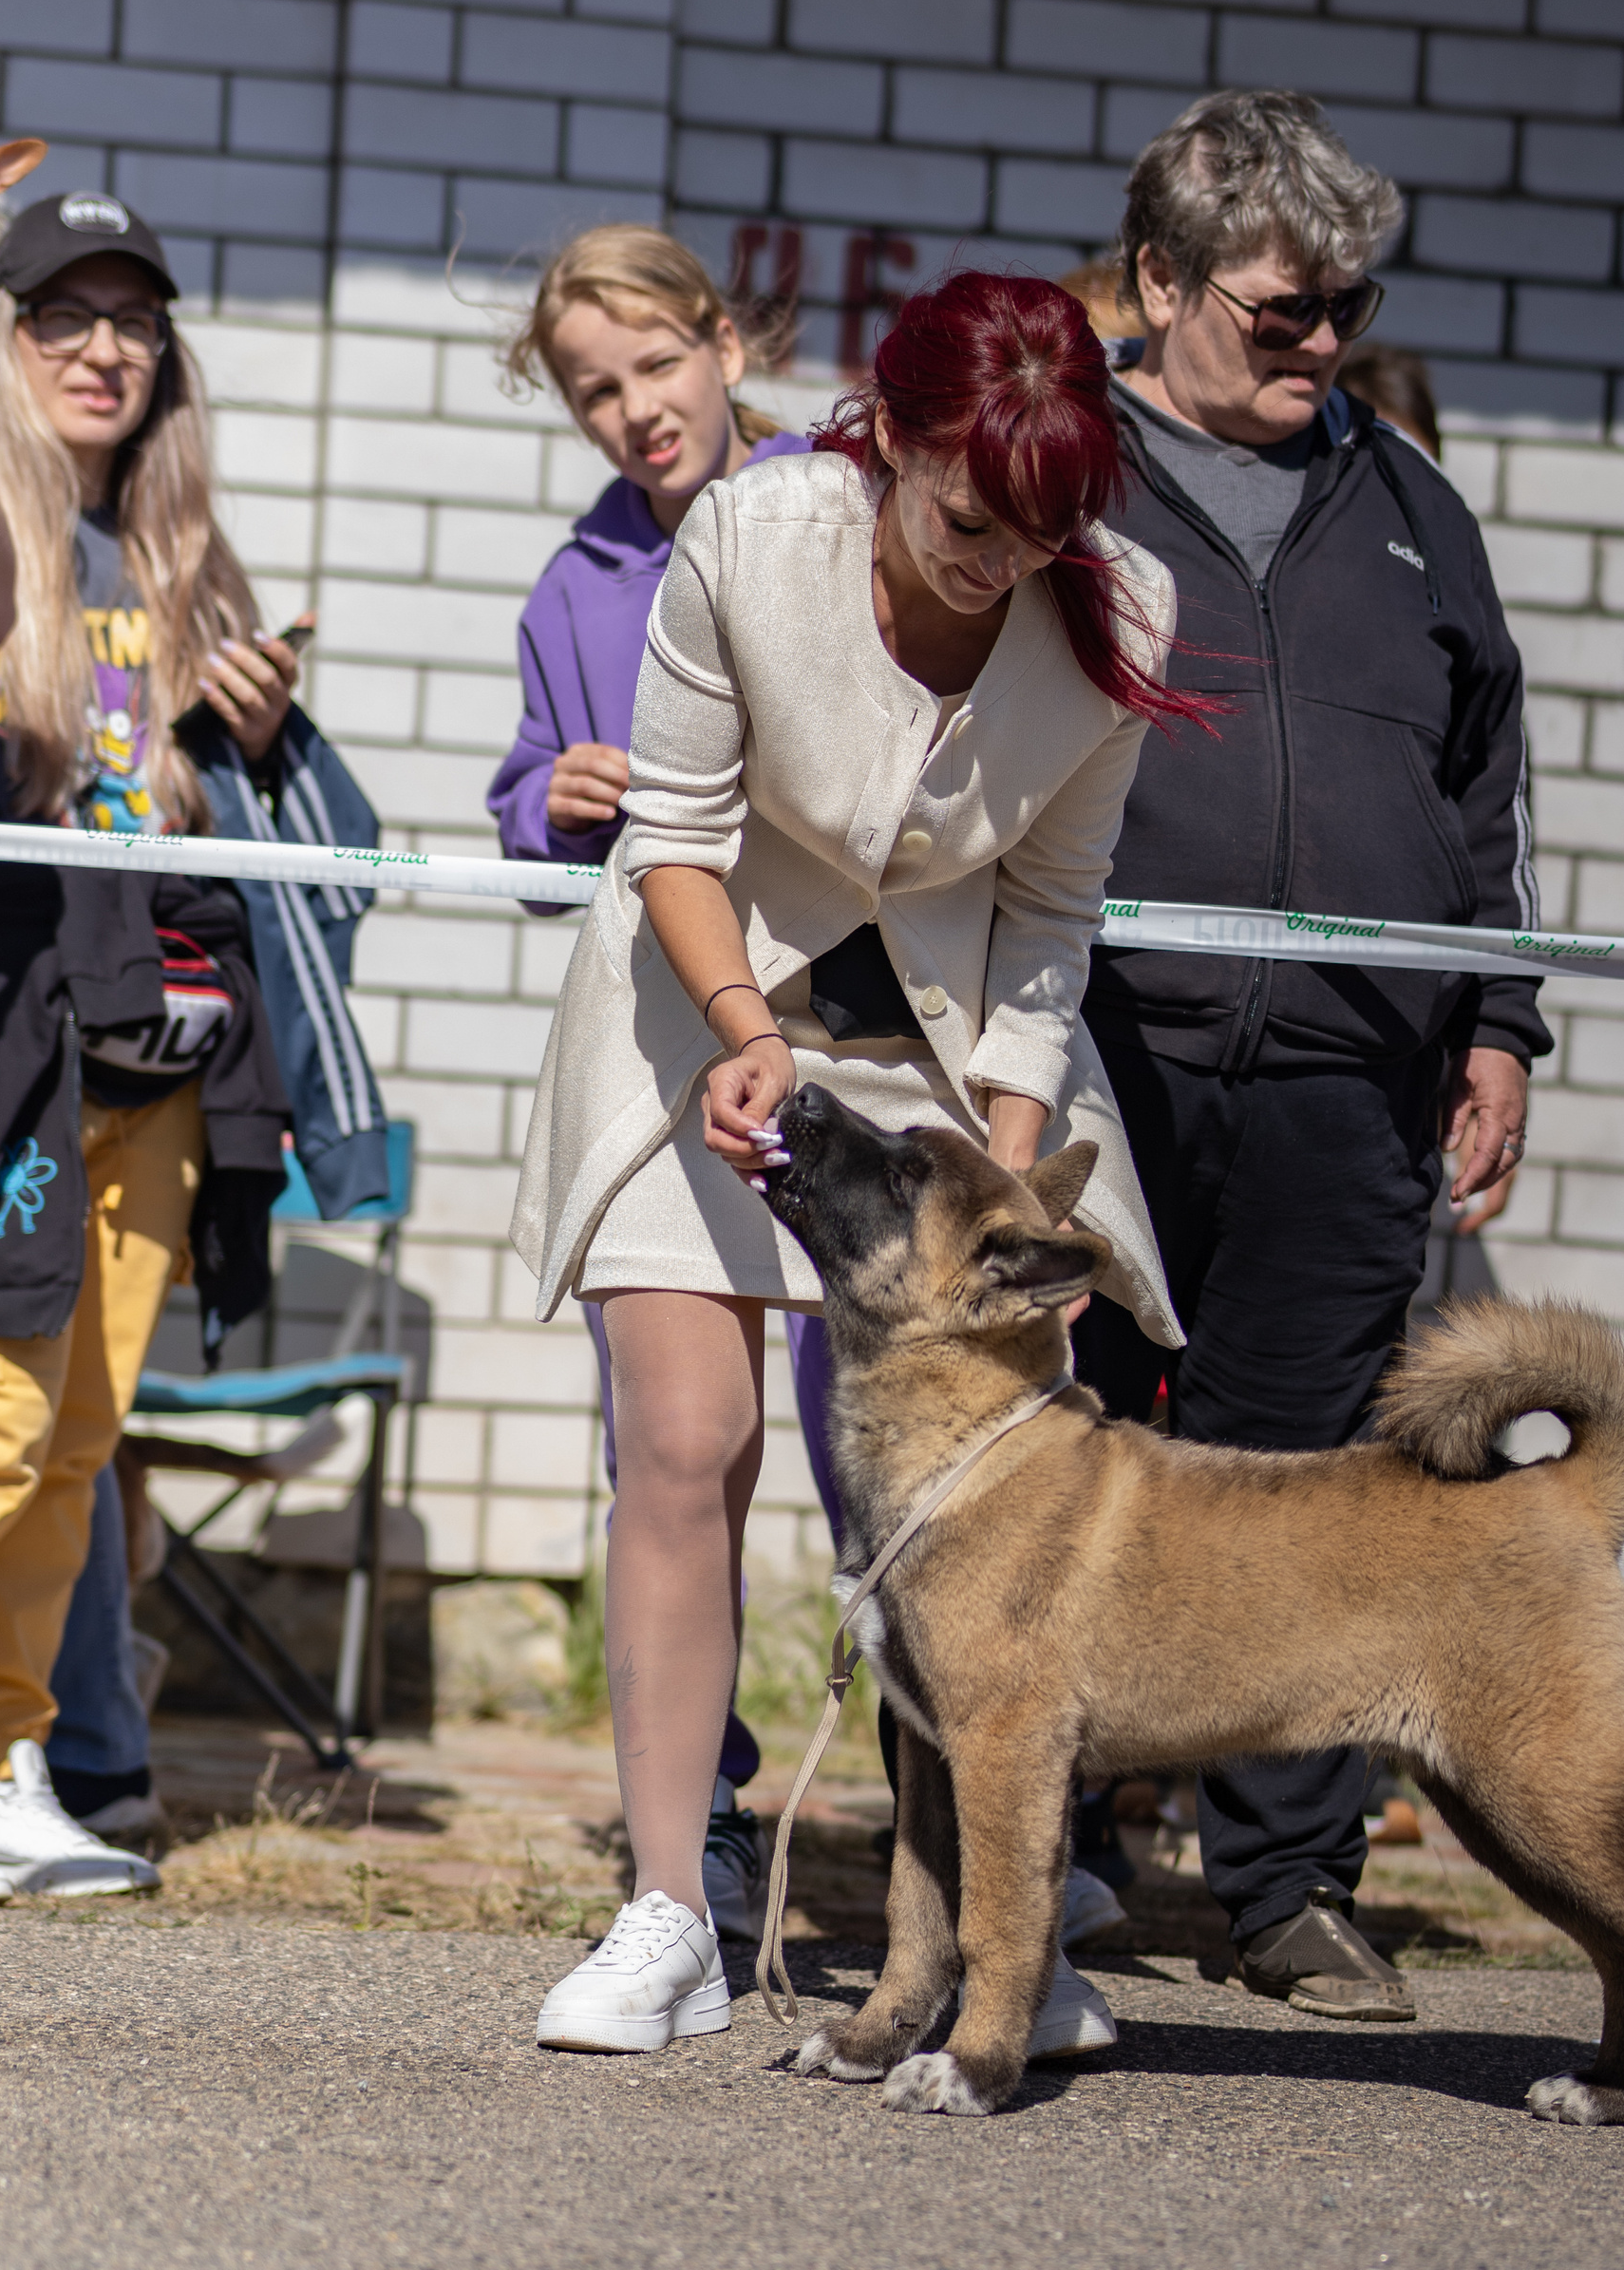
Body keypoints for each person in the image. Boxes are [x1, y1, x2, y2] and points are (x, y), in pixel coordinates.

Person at [510, 269, 1192, 2058]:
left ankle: (998, 1938)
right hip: (702, 998)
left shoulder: (1123, 603)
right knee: (688, 1438)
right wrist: (744, 1028)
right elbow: (671, 834)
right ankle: (672, 1912)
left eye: (1040, 533)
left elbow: (1050, 915)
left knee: (970, 1491)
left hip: (951, 1053)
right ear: (887, 439)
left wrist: (1010, 1183)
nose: (1000, 563)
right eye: (968, 519)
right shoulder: (752, 534)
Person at [1067, 90, 1548, 2021]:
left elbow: (1484, 784)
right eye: (1284, 310)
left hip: (1352, 1078)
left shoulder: (1411, 505)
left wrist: (1497, 1020)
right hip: (1095, 1060)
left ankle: (1286, 1889)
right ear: (1160, 281)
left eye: (1350, 306)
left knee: (1308, 1495)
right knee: (1067, 1456)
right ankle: (1042, 1850)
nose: (1325, 342)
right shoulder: (1060, 466)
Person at [0, 189, 302, 1901]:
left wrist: (260, 742)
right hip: (8, 1046)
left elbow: (229, 845)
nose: (103, 349)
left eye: (134, 320)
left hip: (158, 1061)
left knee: (76, 1443)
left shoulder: (181, 556)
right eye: (64, 316)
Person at [487, 224, 813, 1933]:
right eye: (591, 390)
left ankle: (973, 1828)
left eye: (656, 365)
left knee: (889, 1441)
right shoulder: (580, 581)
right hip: (671, 1051)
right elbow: (525, 800)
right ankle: (705, 1828)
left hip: (857, 1029)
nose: (634, 410)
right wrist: (553, 802)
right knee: (682, 1447)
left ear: (728, 345)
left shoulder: (848, 502)